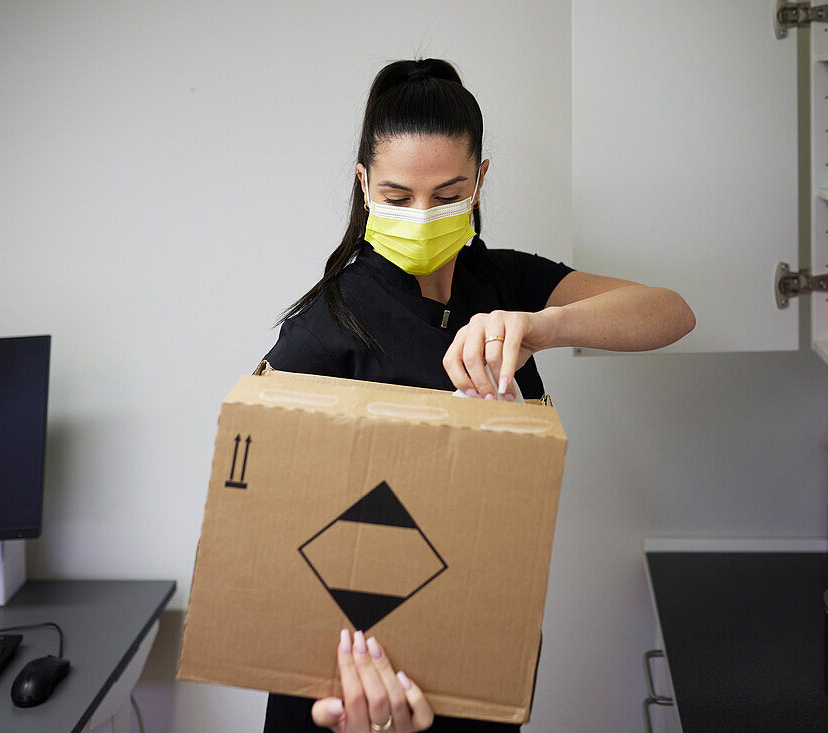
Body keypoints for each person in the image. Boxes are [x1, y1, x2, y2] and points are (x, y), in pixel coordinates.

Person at [261, 58, 695, 733]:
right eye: (399, 197)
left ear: (480, 181)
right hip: (359, 691)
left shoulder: (500, 284)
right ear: (365, 185)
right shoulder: (325, 332)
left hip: (482, 660)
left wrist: (542, 325)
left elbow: (670, 312)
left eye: (447, 192)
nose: (423, 215)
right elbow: (266, 526)